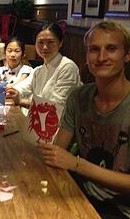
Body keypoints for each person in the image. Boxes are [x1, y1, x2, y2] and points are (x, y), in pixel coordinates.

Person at [38, 21, 130, 218]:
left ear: (127, 55)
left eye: (111, 49)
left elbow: (69, 161)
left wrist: (76, 164)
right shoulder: (79, 97)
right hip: (78, 192)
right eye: (94, 49)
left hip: (120, 209)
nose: (102, 57)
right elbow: (58, 152)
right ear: (87, 56)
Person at [6, 22, 81, 108]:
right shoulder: (37, 71)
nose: (45, 47)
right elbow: (21, 89)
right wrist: (11, 91)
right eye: (40, 42)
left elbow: (56, 106)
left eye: (50, 42)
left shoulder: (67, 67)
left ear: (60, 43)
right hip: (37, 119)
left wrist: (20, 100)